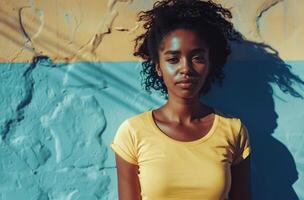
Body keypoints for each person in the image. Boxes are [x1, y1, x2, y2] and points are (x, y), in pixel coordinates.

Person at [110, 0, 251, 199]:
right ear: (158, 66)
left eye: (197, 58)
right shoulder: (132, 133)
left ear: (210, 64)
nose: (185, 69)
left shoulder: (233, 130)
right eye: (173, 59)